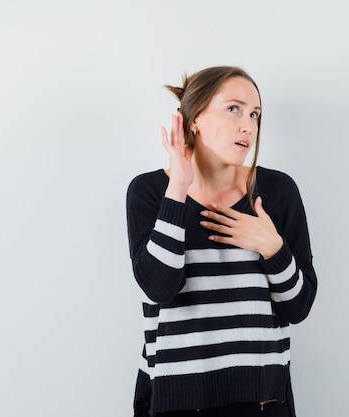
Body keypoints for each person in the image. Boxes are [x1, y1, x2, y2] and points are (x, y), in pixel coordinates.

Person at [126, 66, 318, 417]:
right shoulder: (151, 192)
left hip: (261, 400)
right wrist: (178, 189)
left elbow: (298, 307)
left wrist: (272, 247)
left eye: (255, 114)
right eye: (234, 109)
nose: (249, 125)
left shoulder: (276, 191)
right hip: (177, 398)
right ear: (195, 117)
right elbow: (158, 287)